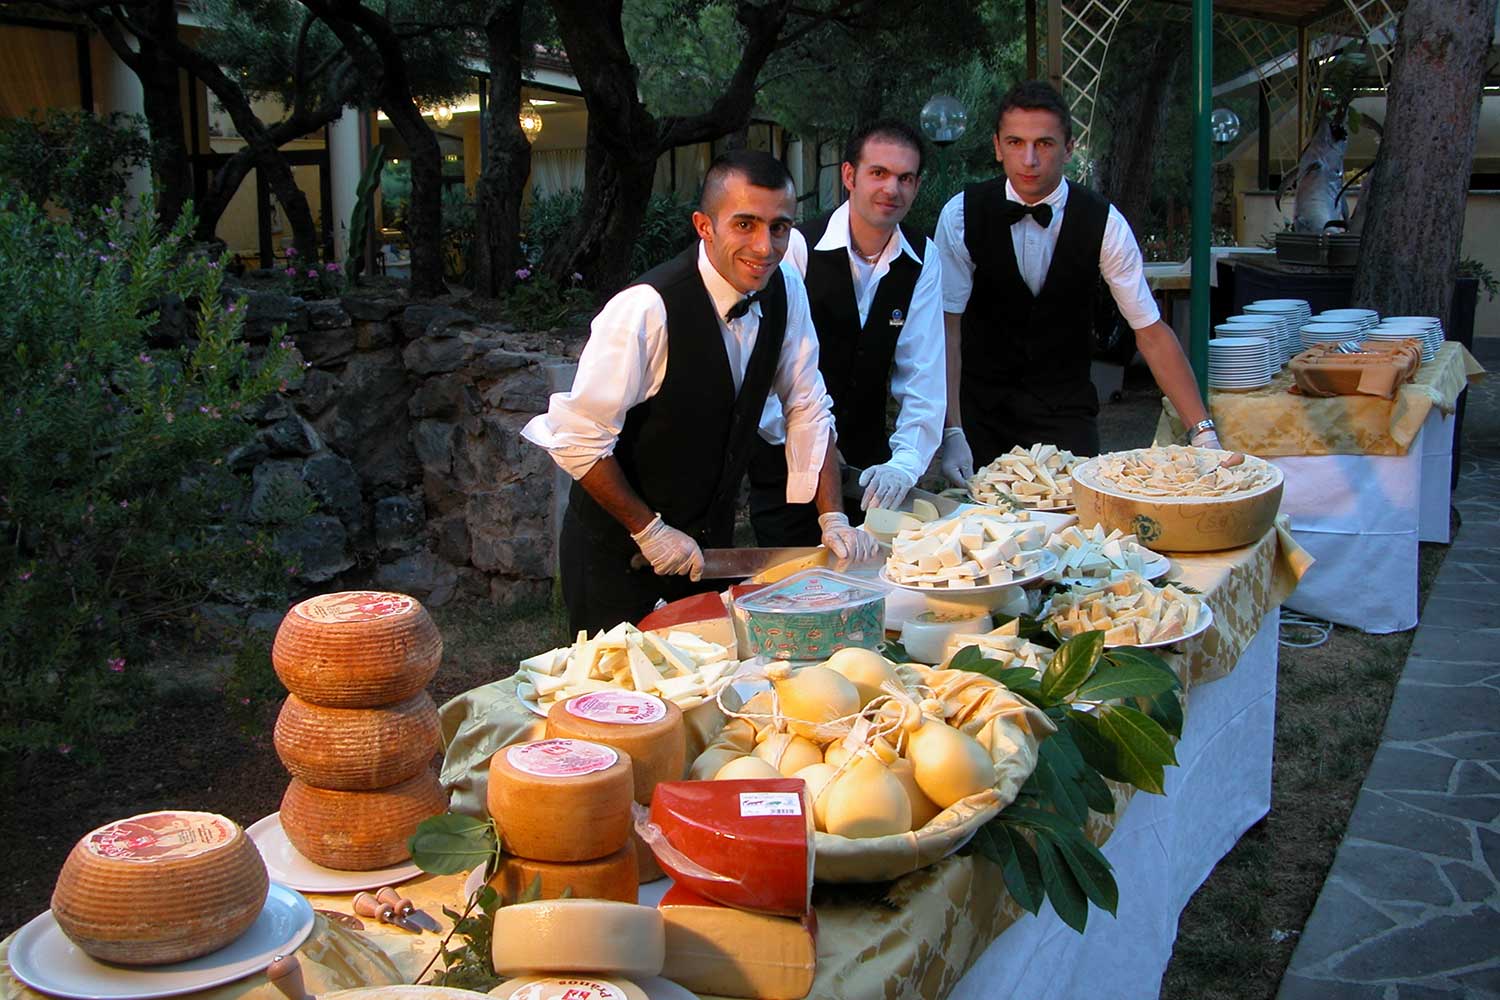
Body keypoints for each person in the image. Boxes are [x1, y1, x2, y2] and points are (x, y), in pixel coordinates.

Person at [523, 150, 879, 634]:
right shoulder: (644, 310)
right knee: (618, 695)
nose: (765, 246)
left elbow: (808, 406)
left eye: (779, 227)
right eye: (745, 224)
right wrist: (650, 531)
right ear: (704, 225)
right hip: (616, 556)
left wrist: (833, 517)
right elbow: (576, 438)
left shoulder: (786, 288)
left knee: (702, 688)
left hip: (705, 549)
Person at [934, 80, 1223, 484]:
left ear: (1069, 148)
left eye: (1045, 144)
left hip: (1066, 413)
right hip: (982, 413)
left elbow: (1151, 332)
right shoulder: (962, 215)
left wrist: (1203, 433)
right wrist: (952, 431)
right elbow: (948, 332)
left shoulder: (1103, 221)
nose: (1029, 159)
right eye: (1016, 142)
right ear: (997, 146)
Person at [748, 119, 945, 545]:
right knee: (792, 597)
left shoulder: (923, 257)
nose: (892, 189)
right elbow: (762, 375)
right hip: (787, 472)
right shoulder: (797, 247)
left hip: (869, 475)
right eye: (879, 173)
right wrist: (813, 446)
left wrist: (904, 464)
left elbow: (925, 377)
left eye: (905, 178)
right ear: (850, 175)